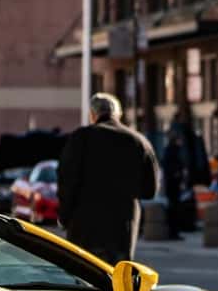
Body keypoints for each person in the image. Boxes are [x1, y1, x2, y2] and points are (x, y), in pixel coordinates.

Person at [57, 93, 160, 264]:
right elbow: (150, 190)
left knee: (83, 274)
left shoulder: (81, 138)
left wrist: (64, 215)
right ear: (118, 114)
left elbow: (67, 181)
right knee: (116, 278)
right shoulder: (138, 141)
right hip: (122, 226)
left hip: (84, 224)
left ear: (92, 115)